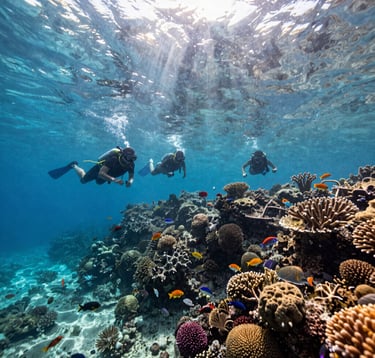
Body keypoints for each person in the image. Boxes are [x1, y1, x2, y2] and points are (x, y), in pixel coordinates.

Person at [71, 146, 137, 186]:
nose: (131, 160)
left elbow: (131, 176)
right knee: (83, 180)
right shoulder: (113, 160)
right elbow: (101, 173)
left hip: (108, 175)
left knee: (98, 182)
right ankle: (74, 165)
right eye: (129, 158)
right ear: (124, 156)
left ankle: (74, 166)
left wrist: (130, 182)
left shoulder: (131, 164)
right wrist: (114, 180)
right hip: (98, 170)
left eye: (133, 158)